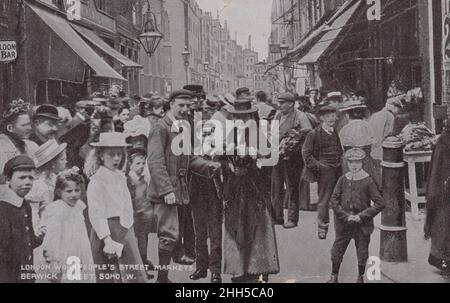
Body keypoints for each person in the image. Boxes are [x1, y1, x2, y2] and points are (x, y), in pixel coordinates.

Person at [146, 89, 221, 283]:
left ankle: (163, 277)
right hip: (167, 192)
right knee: (168, 235)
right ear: (171, 104)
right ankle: (162, 279)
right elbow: (155, 162)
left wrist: (208, 166)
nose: (185, 109)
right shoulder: (160, 127)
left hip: (180, 190)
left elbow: (189, 158)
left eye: (188, 106)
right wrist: (166, 190)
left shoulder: (183, 127)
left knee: (172, 234)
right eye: (181, 105)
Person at [219, 98, 280, 283]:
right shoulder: (230, 134)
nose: (241, 120)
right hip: (235, 188)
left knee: (257, 227)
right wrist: (231, 167)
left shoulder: (259, 134)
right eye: (237, 116)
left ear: (250, 116)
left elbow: (268, 158)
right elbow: (221, 158)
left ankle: (259, 269)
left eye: (244, 116)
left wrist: (252, 163)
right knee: (236, 226)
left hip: (254, 188)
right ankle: (239, 269)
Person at [87, 132, 147, 283]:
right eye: (111, 154)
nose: (116, 158)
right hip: (105, 232)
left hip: (125, 229)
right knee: (110, 273)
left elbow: (127, 205)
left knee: (133, 272)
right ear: (101, 155)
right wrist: (107, 240)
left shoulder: (120, 177)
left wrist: (126, 230)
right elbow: (96, 213)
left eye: (119, 154)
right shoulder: (96, 181)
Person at [327, 148, 385, 283]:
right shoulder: (343, 179)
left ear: (362, 163)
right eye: (351, 162)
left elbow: (380, 203)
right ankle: (333, 277)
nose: (354, 165)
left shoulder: (368, 181)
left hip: (362, 225)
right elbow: (334, 200)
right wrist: (344, 215)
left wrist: (362, 216)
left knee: (362, 252)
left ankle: (360, 278)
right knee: (337, 250)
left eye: (357, 162)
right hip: (344, 224)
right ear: (347, 163)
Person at [41, 168, 95, 283]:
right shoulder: (57, 209)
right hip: (65, 254)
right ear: (59, 192)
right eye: (69, 191)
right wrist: (53, 261)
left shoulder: (78, 207)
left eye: (77, 190)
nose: (74, 195)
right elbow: (52, 238)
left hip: (80, 251)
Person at [271, 92, 312, 228]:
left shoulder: (299, 115)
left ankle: (292, 218)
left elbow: (308, 132)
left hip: (292, 157)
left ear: (291, 104)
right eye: (279, 103)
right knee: (276, 185)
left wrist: (294, 138)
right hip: (277, 154)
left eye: (283, 103)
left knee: (292, 186)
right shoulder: (277, 115)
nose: (280, 105)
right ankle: (277, 216)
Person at [302, 102, 343, 240]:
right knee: (324, 200)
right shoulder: (314, 134)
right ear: (322, 118)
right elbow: (306, 154)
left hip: (337, 169)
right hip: (325, 171)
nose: (333, 119)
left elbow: (339, 149)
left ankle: (341, 227)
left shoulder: (334, 132)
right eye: (329, 116)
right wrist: (319, 167)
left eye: (334, 116)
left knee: (339, 199)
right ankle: (322, 227)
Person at [0, 155, 43, 283]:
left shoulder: (25, 205)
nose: (28, 182)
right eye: (22, 178)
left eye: (31, 178)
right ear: (8, 180)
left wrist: (38, 238)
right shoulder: (3, 209)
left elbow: (27, 242)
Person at [425, 105, 450, 274]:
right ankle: (444, 260)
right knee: (444, 222)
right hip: (445, 189)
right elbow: (438, 170)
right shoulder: (444, 141)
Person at [126, 147, 155, 279]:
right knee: (139, 241)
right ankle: (141, 267)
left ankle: (144, 261)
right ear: (130, 165)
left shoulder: (143, 179)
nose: (141, 166)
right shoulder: (129, 180)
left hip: (145, 214)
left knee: (145, 239)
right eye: (138, 163)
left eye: (143, 163)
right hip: (135, 215)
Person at [0, 99, 39, 182]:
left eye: (29, 124)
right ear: (10, 128)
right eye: (24, 125)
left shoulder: (31, 145)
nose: (30, 128)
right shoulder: (2, 149)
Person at [368, 98, 403, 189]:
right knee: (385, 181)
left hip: (372, 151)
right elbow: (389, 134)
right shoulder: (390, 116)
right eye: (398, 109)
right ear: (394, 107)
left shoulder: (375, 115)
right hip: (383, 152)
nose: (398, 112)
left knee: (375, 179)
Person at [339, 97, 374, 174]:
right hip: (365, 161)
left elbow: (341, 147)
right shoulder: (368, 127)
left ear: (347, 115)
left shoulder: (344, 129)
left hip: (350, 163)